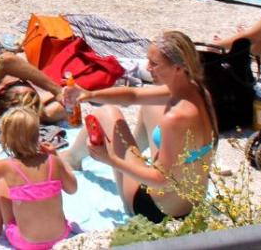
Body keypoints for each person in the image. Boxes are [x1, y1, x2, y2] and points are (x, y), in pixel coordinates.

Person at [72, 31, 216, 224]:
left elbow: (161, 180)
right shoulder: (199, 91)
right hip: (192, 202)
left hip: (156, 210)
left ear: (178, 68)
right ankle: (132, 153)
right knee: (150, 104)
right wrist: (89, 95)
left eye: (154, 64)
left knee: (106, 113)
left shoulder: (175, 119)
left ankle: (72, 158)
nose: (147, 68)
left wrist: (110, 159)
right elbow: (133, 95)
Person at [0, 107, 78, 249]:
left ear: (5, 139)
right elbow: (72, 189)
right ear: (37, 134)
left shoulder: (5, 166)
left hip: (27, 243)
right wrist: (56, 155)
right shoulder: (53, 161)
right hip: (60, 236)